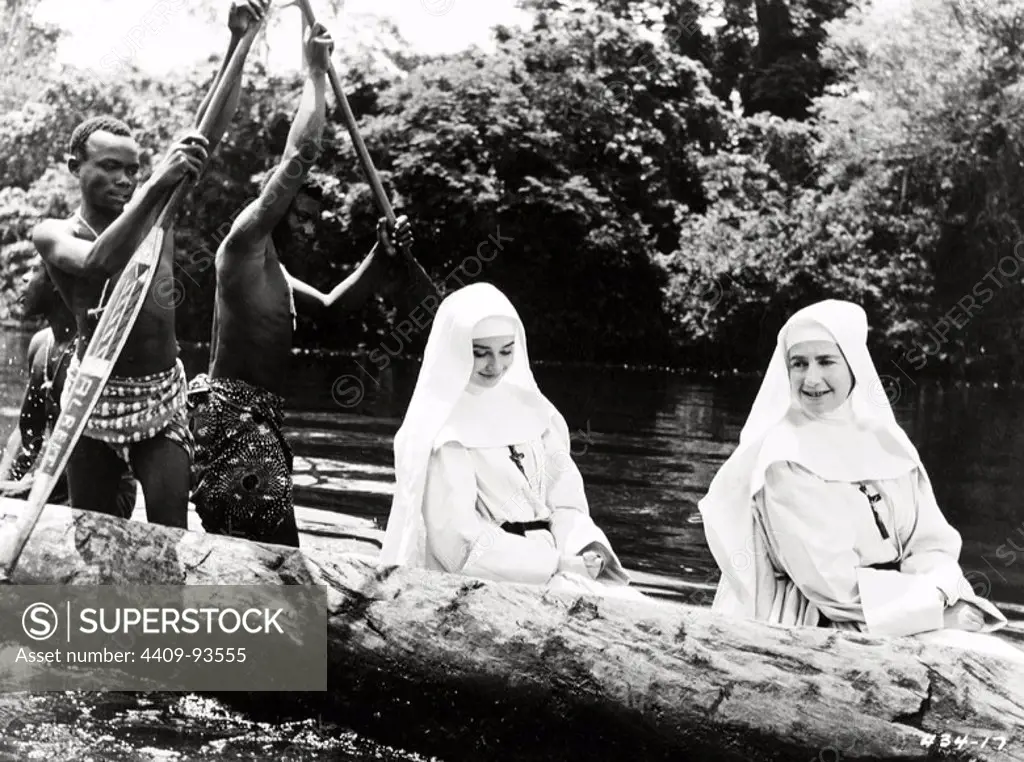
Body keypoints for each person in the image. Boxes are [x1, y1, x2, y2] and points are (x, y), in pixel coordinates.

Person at [31, 1, 267, 526]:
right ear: (76, 166)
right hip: (93, 395)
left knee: (169, 536)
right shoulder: (53, 233)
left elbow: (209, 130)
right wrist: (158, 181)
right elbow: (95, 263)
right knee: (92, 535)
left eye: (132, 170)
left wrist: (240, 41)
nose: (124, 179)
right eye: (110, 167)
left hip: (159, 397)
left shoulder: (158, 212)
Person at [188, 20, 412, 548]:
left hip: (253, 428)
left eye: (318, 220)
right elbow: (300, 157)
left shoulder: (279, 277)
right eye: (302, 217)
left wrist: (382, 254)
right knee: (282, 567)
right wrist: (314, 71)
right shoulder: (242, 247)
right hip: (234, 425)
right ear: (278, 213)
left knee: (269, 561)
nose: (311, 229)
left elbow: (335, 307)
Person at [698, 299, 1009, 643]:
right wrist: (935, 614)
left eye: (826, 361)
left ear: (853, 366)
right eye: (799, 364)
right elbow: (830, 584)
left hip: (902, 609)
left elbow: (932, 543)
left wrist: (937, 594)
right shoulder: (783, 458)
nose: (811, 379)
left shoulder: (886, 443)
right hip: (809, 625)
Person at [380, 282, 638, 597]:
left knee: (636, 606)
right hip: (489, 582)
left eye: (506, 351)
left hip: (563, 567)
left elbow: (566, 501)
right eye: (480, 353)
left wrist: (586, 550)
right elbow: (459, 544)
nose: (497, 366)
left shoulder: (535, 412)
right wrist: (555, 564)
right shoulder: (443, 432)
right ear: (458, 351)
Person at [0, 267, 137, 515]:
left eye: (33, 270)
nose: (24, 277)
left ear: (56, 281)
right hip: (53, 484)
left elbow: (90, 453)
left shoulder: (92, 354)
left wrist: (31, 488)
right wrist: (5, 483)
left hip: (103, 493)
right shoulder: (41, 345)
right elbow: (27, 432)